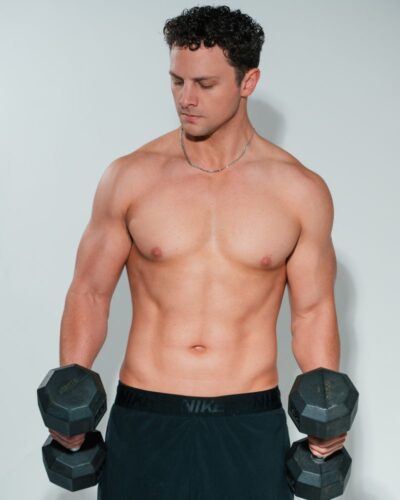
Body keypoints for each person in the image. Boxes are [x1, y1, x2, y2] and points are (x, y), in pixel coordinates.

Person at [48, 5, 347, 499]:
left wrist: (326, 415)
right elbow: (89, 293)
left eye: (205, 85)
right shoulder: (131, 177)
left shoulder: (299, 190)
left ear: (248, 82)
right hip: (146, 415)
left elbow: (313, 311)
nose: (186, 99)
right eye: (177, 81)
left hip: (248, 420)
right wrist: (69, 400)